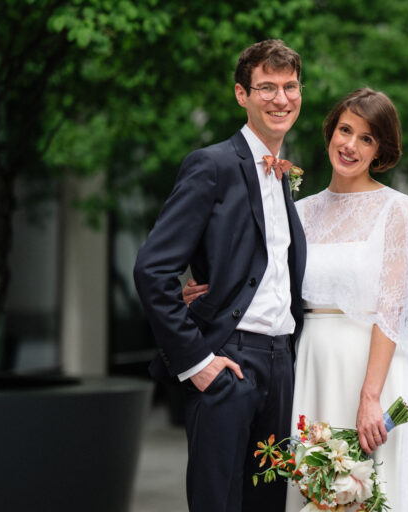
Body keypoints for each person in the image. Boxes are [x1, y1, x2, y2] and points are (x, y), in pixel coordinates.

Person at [184, 88, 408, 511]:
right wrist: (206, 292)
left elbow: (392, 310)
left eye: (367, 138)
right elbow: (264, 282)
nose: (350, 145)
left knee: (372, 494)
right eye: (345, 130)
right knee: (311, 492)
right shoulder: (299, 210)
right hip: (307, 369)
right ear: (330, 132)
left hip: (371, 373)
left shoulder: (397, 210)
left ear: (381, 150)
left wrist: (370, 397)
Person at [133, 39, 307, 511]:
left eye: (289, 86)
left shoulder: (285, 176)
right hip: (230, 361)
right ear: (241, 94)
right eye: (266, 87)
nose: (280, 98)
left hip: (281, 364)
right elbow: (153, 268)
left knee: (268, 504)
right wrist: (197, 360)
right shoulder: (211, 166)